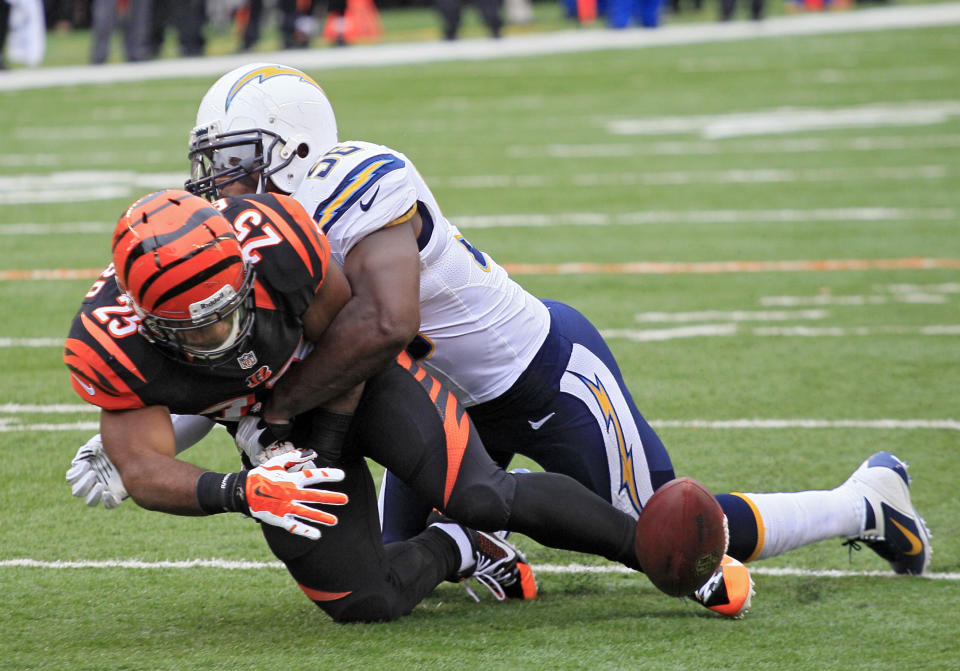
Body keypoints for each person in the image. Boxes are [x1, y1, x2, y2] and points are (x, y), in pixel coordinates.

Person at [68, 63, 932, 618]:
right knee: (420, 554)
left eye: (235, 160)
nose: (217, 183)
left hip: (534, 375)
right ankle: (476, 542)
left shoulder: (360, 187)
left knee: (672, 537)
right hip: (419, 401)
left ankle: (866, 499)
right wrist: (152, 438)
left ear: (296, 148)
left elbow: (382, 327)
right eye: (210, 163)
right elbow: (235, 361)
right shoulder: (245, 238)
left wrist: (275, 429)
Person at [65, 187, 703, 622]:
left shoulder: (278, 241)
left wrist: (323, 428)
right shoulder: (106, 343)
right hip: (266, 440)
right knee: (361, 600)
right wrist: (246, 488)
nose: (220, 332)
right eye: (196, 330)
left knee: (481, 491)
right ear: (146, 319)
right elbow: (140, 466)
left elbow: (351, 337)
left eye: (230, 308)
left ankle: (661, 556)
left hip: (349, 380)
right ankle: (459, 547)